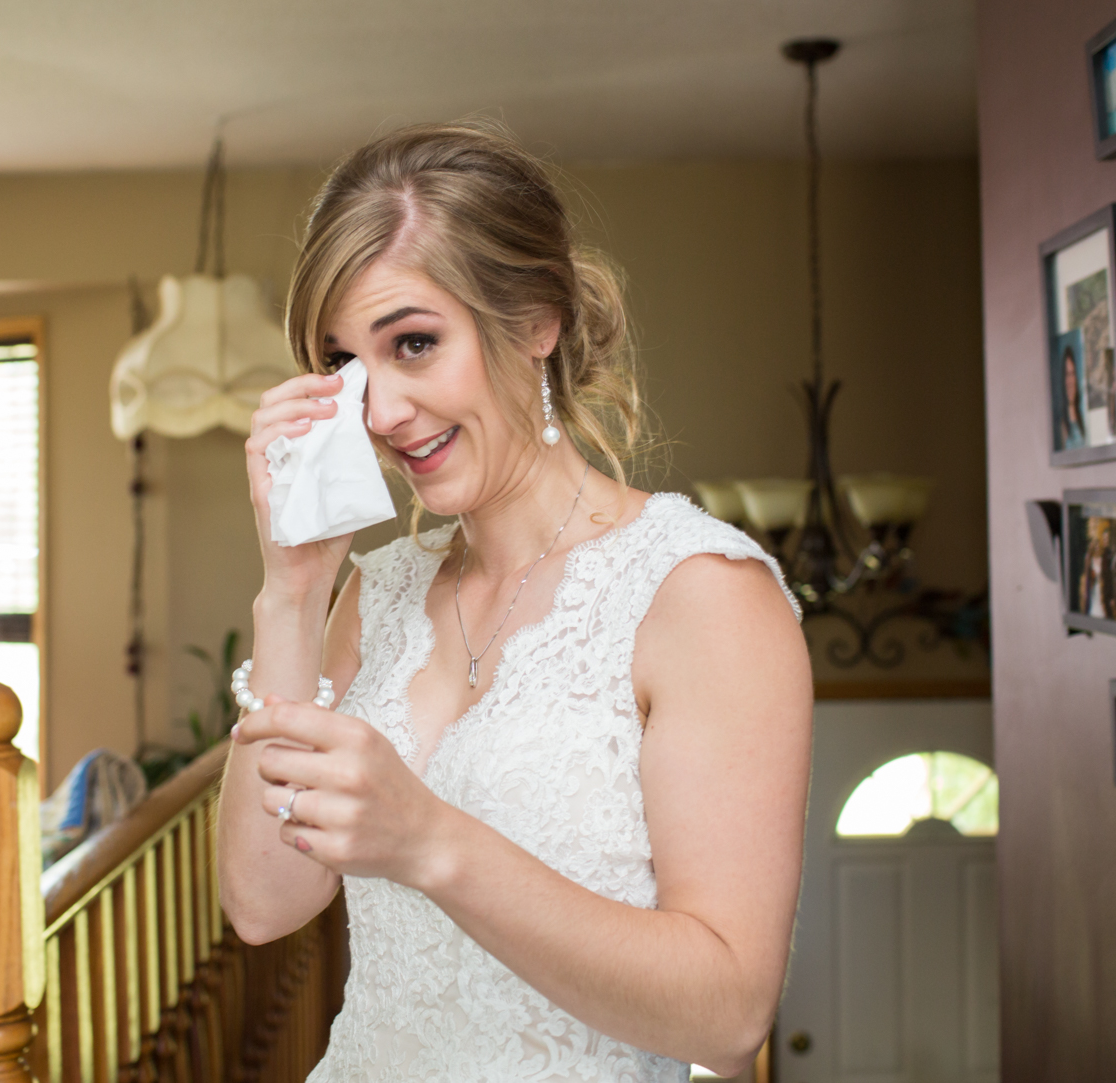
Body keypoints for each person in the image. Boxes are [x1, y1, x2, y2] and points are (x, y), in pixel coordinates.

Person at [218, 123, 812, 1082]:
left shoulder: (701, 595)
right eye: (349, 366)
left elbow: (728, 1013)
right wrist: (290, 592)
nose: (379, 413)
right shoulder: (379, 595)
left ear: (537, 319)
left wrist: (431, 840)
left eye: (415, 343)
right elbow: (263, 901)